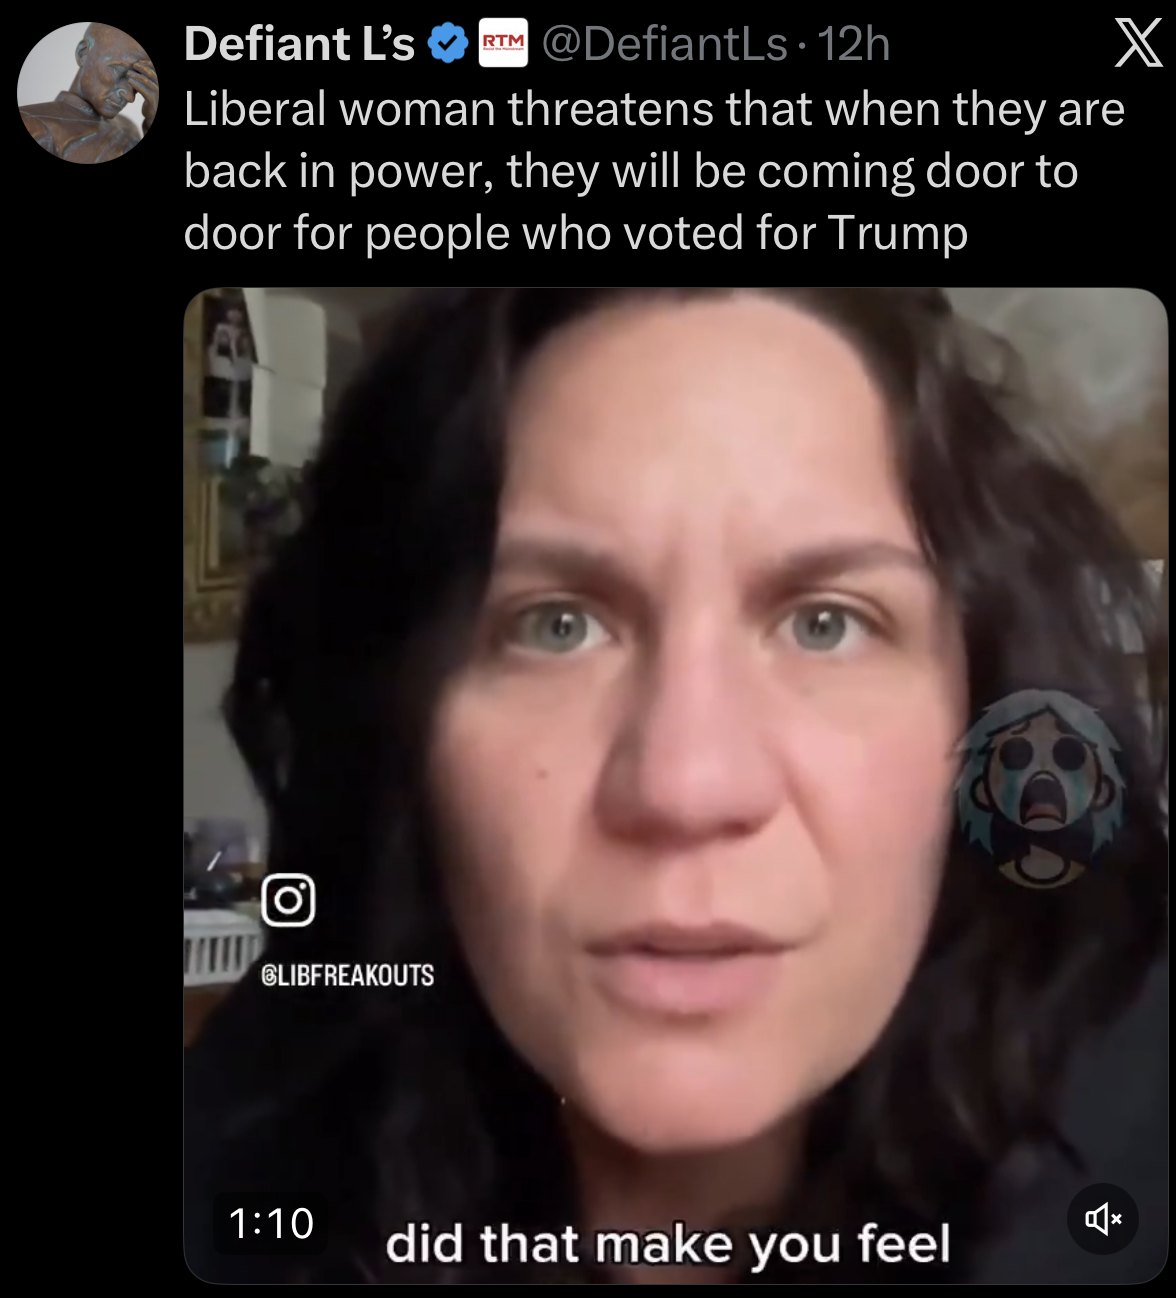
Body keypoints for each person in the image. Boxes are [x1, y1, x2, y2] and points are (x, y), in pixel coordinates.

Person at [184, 288, 1168, 1283]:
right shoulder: (249, 1147)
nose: (686, 785)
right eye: (556, 625)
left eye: (826, 622)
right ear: (407, 736)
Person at [21, 24, 157, 163]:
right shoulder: (33, 126)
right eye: (118, 70)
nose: (130, 96)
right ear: (82, 53)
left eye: (140, 80)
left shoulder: (127, 129)